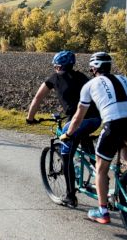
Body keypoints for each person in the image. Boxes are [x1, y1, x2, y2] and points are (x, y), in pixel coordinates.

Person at [61, 52, 127, 225]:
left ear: (94, 68)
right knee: (120, 141)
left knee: (100, 168)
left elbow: (77, 118)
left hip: (113, 124)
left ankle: (102, 211)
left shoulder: (90, 85)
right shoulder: (125, 79)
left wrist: (67, 134)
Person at [26, 50, 101, 206]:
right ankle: (100, 174)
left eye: (55, 66)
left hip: (78, 120)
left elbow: (37, 98)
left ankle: (70, 196)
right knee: (84, 140)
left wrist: (30, 118)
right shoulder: (82, 76)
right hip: (96, 119)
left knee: (66, 155)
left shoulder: (54, 79)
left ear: (58, 66)